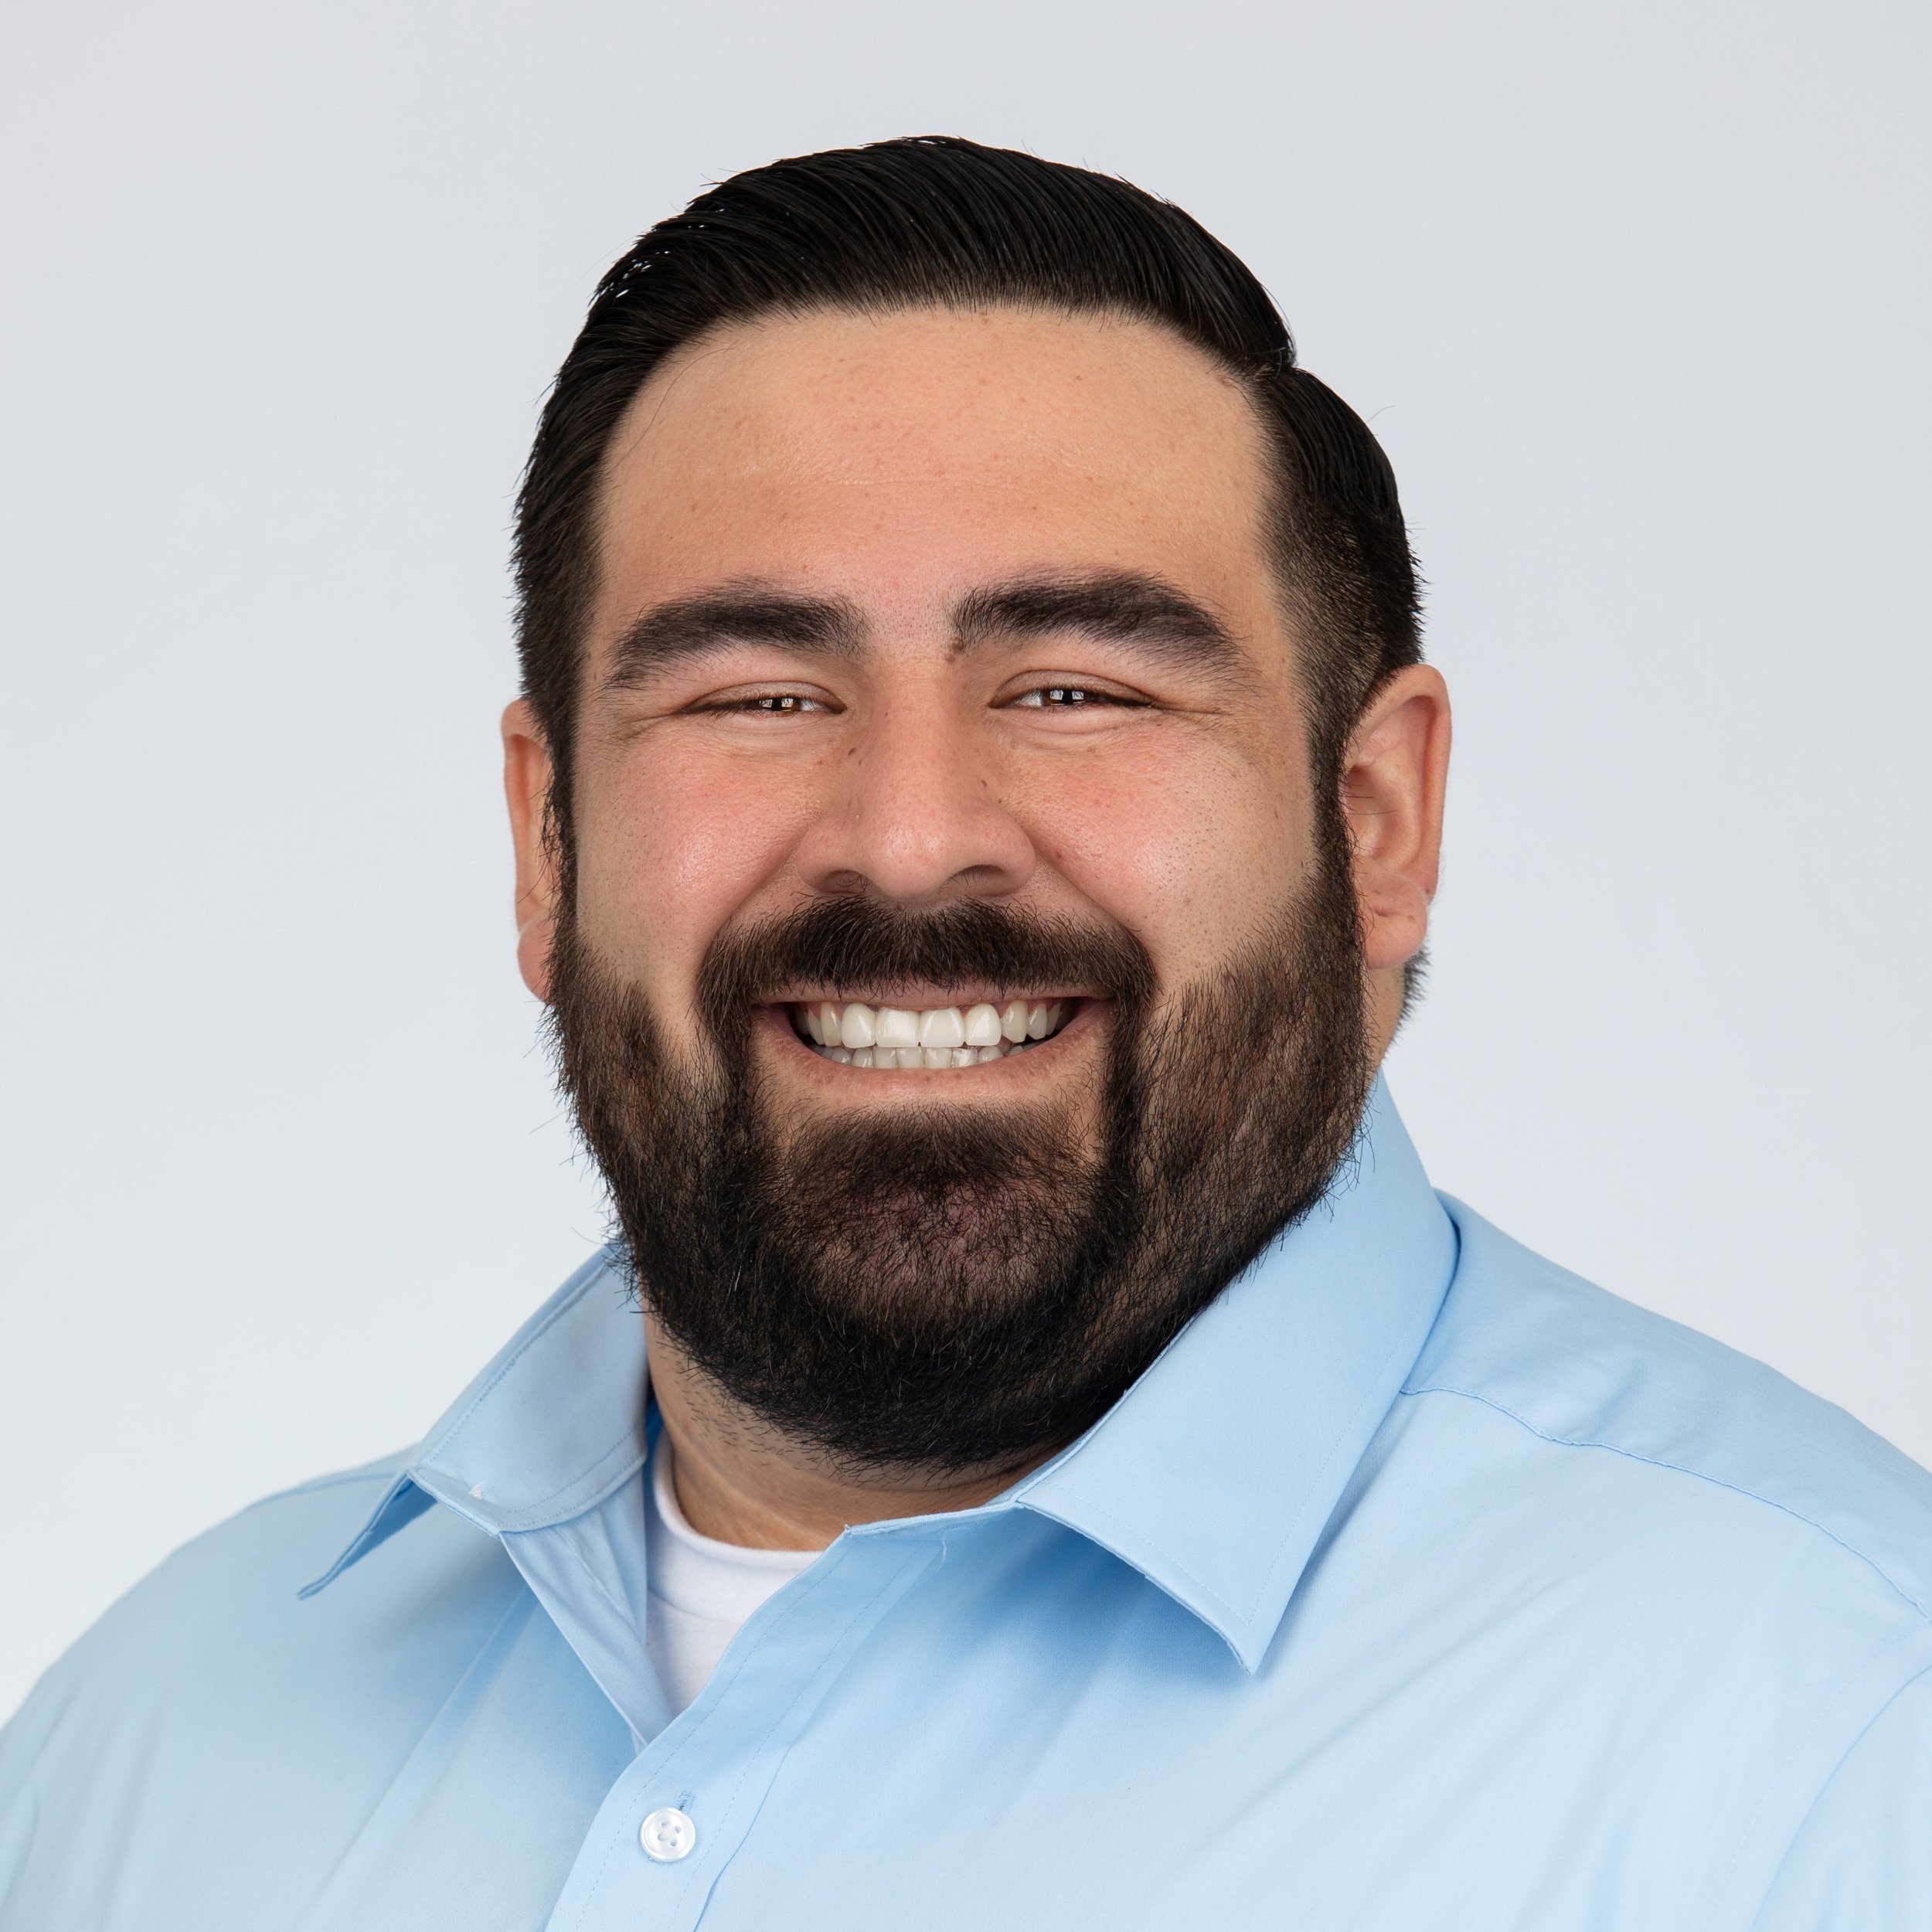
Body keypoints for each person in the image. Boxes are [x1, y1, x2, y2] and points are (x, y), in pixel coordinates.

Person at [3, 136, 1927, 1932]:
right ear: (545, 835)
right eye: (757, 695)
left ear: (1377, 826)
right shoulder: (146, 1745)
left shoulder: (1826, 1729)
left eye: (1074, 684)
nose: (908, 835)